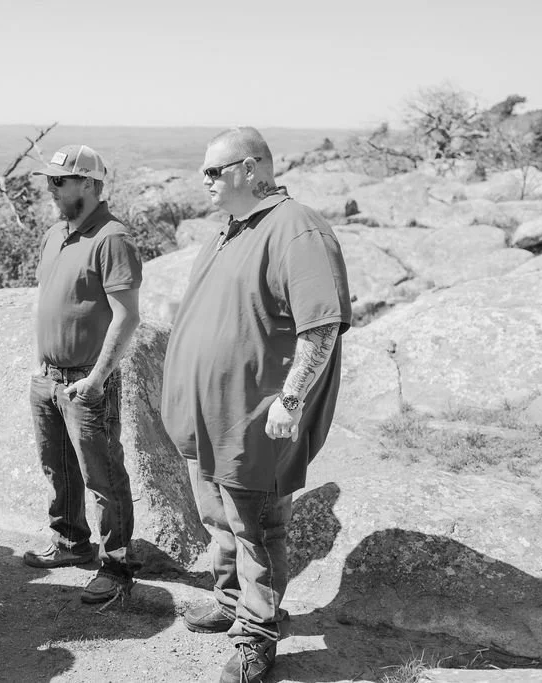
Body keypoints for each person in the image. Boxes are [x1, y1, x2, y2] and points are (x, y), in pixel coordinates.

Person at [161, 127, 352, 683]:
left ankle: (257, 635)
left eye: (213, 171)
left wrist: (290, 399)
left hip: (253, 420)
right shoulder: (229, 229)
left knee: (258, 528)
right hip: (207, 419)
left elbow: (322, 326)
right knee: (218, 519)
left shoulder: (297, 228)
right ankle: (230, 602)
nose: (204, 181)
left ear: (250, 169)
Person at [24, 144, 143, 603]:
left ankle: (117, 566)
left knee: (103, 476)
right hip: (48, 377)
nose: (51, 189)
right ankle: (71, 543)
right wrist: (41, 365)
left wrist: (96, 379)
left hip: (87, 379)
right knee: (58, 469)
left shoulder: (112, 238)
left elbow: (126, 317)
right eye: (49, 181)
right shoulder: (56, 233)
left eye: (59, 181)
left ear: (89, 184)